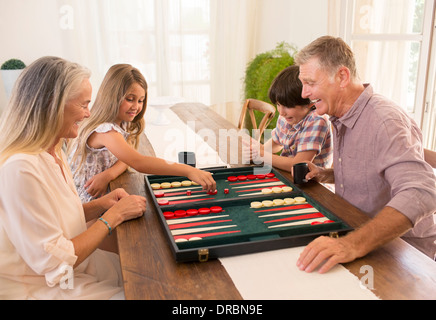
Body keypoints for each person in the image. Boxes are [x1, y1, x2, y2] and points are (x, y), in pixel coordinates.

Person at [0, 56, 147, 299]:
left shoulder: (53, 150)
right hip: (45, 285)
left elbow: (55, 219)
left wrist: (102, 204)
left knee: (144, 272)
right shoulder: (20, 169)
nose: (88, 113)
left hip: (78, 269)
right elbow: (52, 260)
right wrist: (114, 215)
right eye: (83, 105)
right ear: (52, 104)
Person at [294, 36, 436, 273]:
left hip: (405, 256)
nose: (303, 93)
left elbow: (421, 192)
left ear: (342, 77)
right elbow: (369, 172)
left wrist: (351, 245)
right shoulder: (341, 115)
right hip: (363, 235)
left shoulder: (384, 121)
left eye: (310, 82)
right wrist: (326, 175)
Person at [68, 64, 216, 203]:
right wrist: (188, 170)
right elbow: (138, 162)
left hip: (105, 192)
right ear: (111, 96)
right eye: (130, 99)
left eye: (141, 100)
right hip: (88, 201)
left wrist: (109, 174)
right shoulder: (105, 131)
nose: (136, 106)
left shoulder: (122, 121)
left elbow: (127, 157)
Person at [244, 65, 332, 171]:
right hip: (288, 175)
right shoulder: (288, 116)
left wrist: (262, 155)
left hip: (313, 183)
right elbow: (277, 142)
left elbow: (298, 165)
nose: (281, 112)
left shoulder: (317, 120)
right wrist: (257, 151)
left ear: (309, 102)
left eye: (287, 106)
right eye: (278, 104)